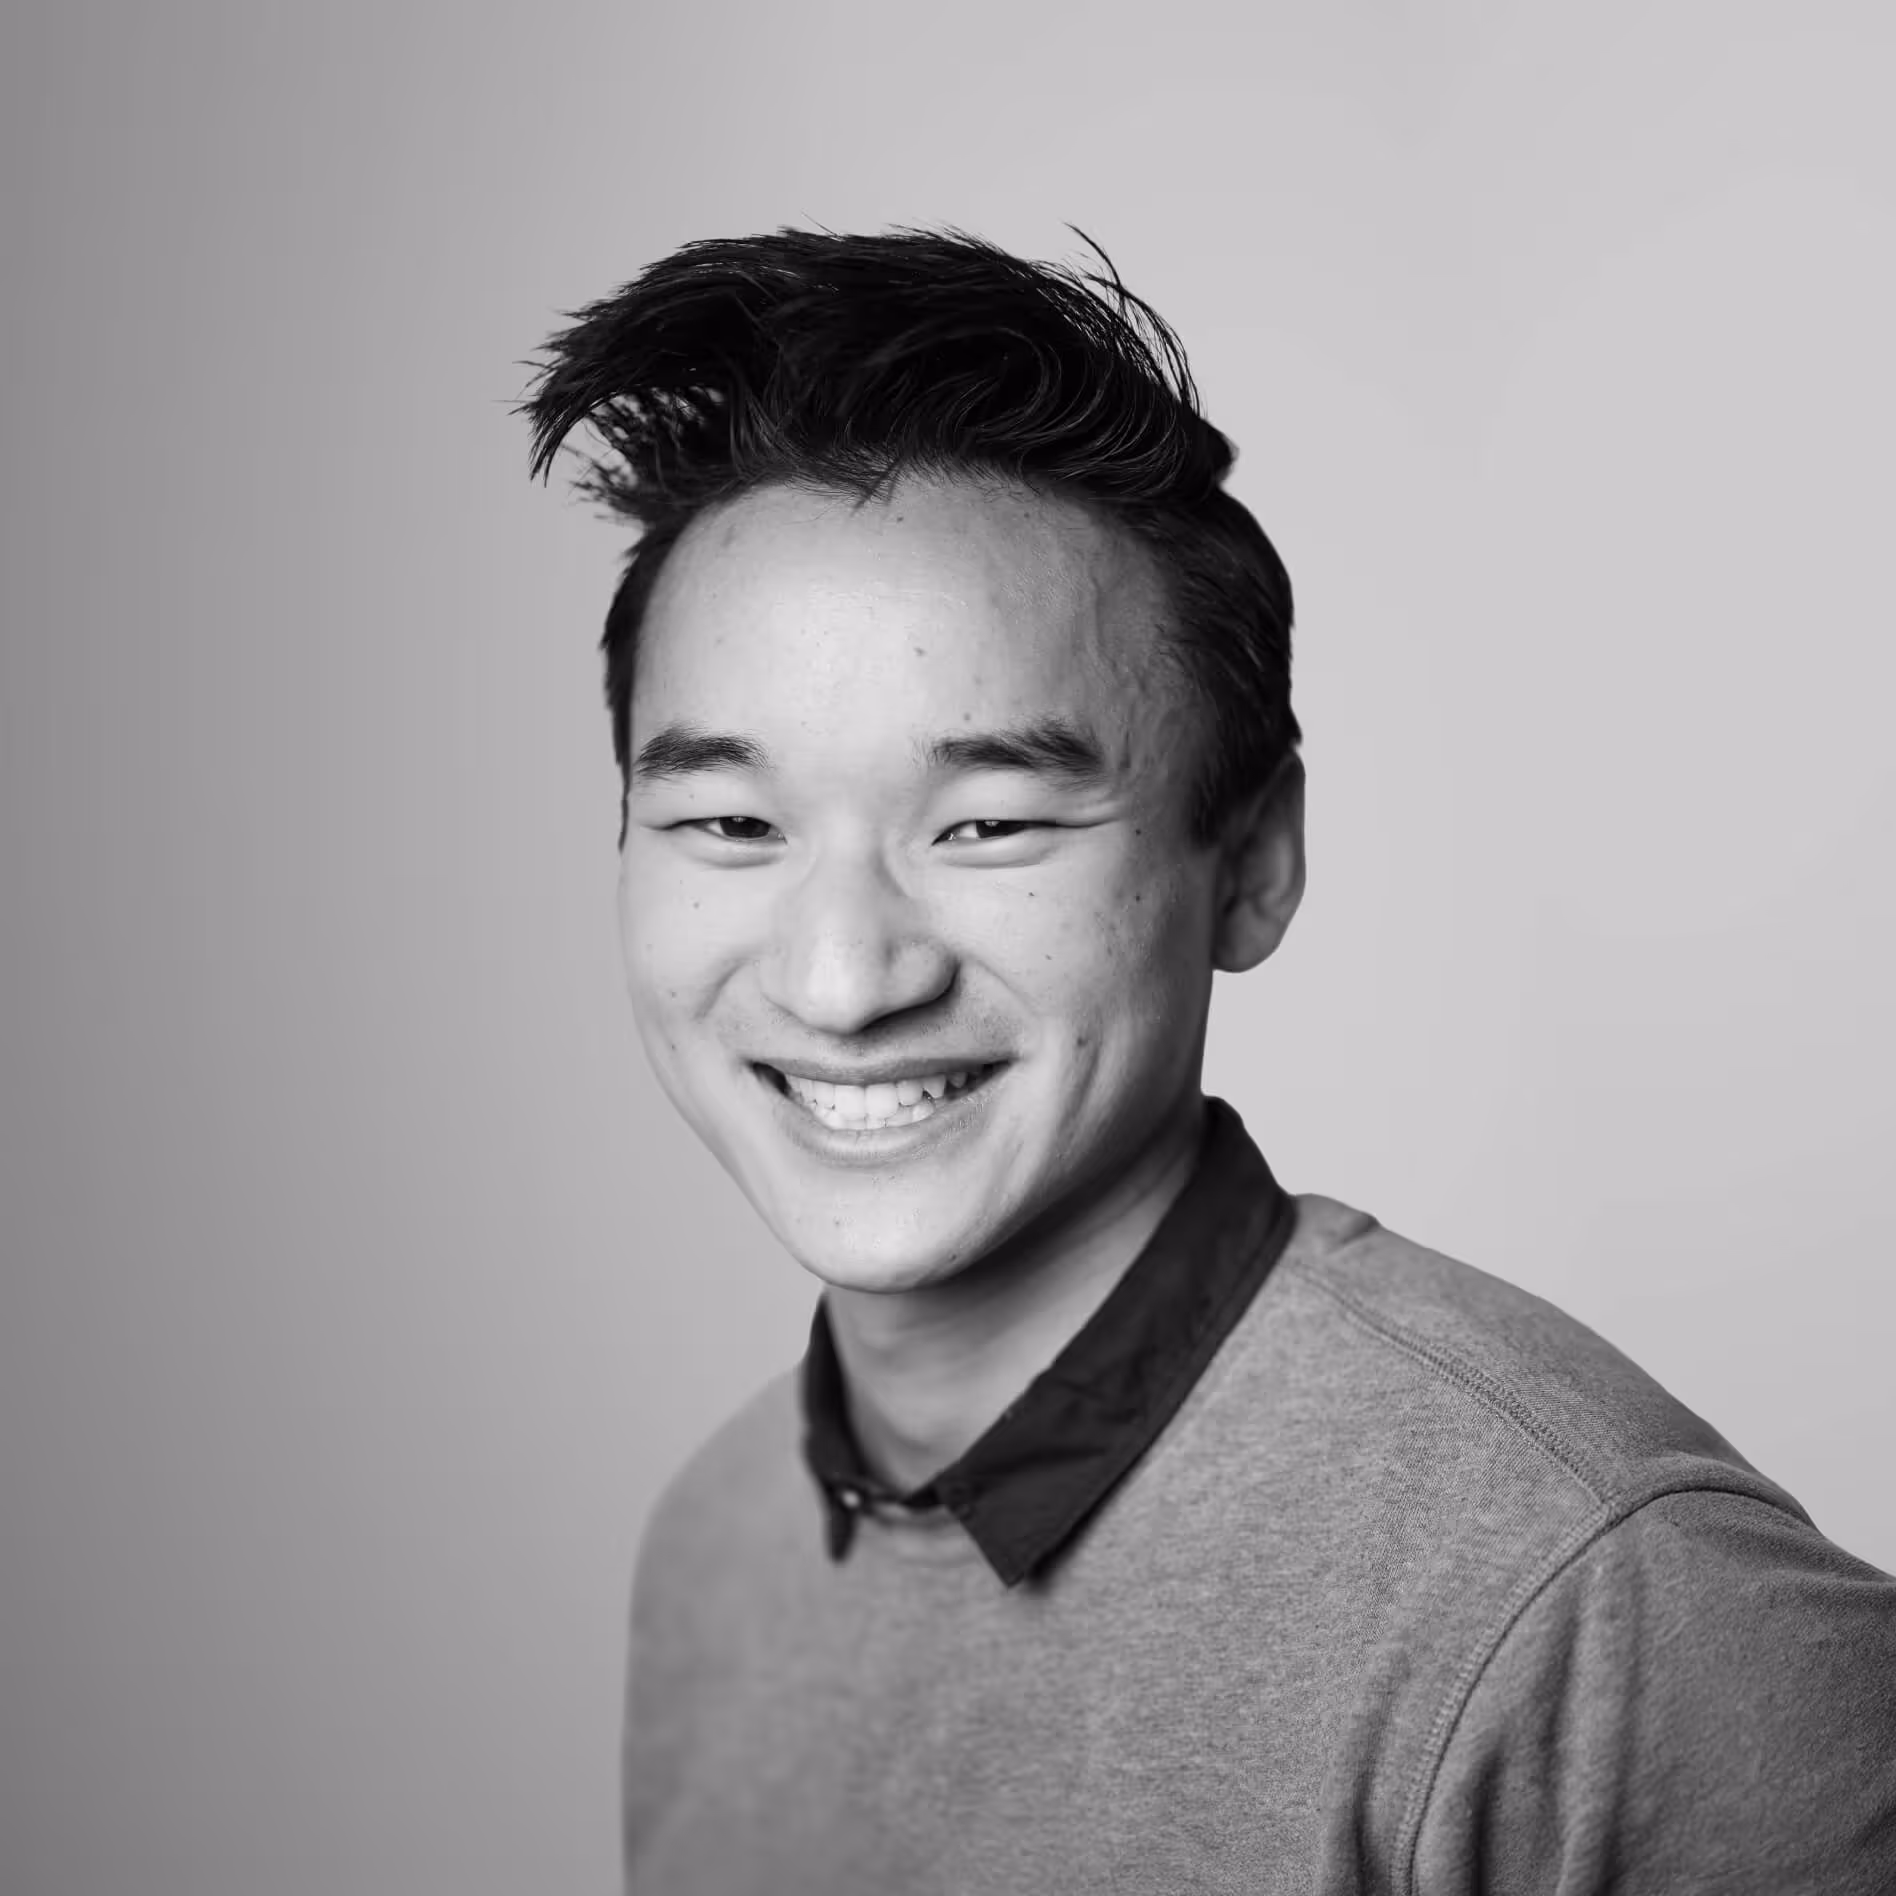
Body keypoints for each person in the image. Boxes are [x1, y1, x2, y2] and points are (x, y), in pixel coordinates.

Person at [523, 229, 1896, 1895]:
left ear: (1247, 865)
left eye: (993, 822)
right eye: (730, 822)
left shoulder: (1608, 1603)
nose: (840, 975)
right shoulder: (714, 1551)